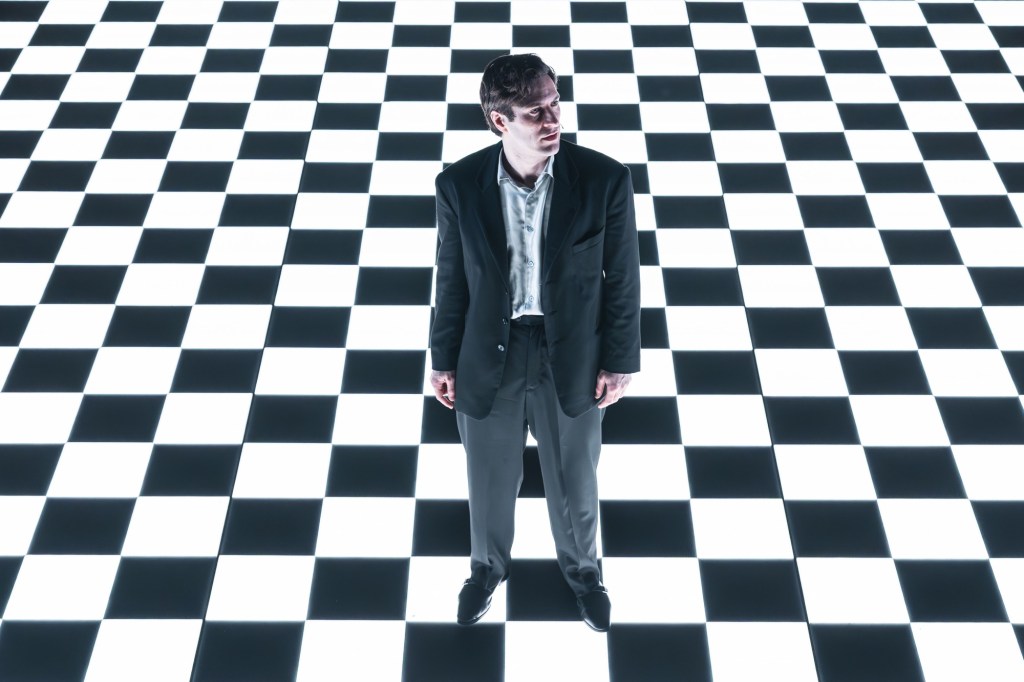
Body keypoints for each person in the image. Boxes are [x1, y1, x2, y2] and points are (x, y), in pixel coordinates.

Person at [429, 53, 641, 632]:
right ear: (500, 121)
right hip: (487, 351)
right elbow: (451, 277)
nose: (553, 119)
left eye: (555, 103)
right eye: (535, 112)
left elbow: (623, 278)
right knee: (488, 477)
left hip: (570, 352)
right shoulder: (458, 185)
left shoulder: (604, 179)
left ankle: (585, 575)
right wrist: (442, 358)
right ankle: (485, 571)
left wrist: (620, 360)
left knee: (575, 478)